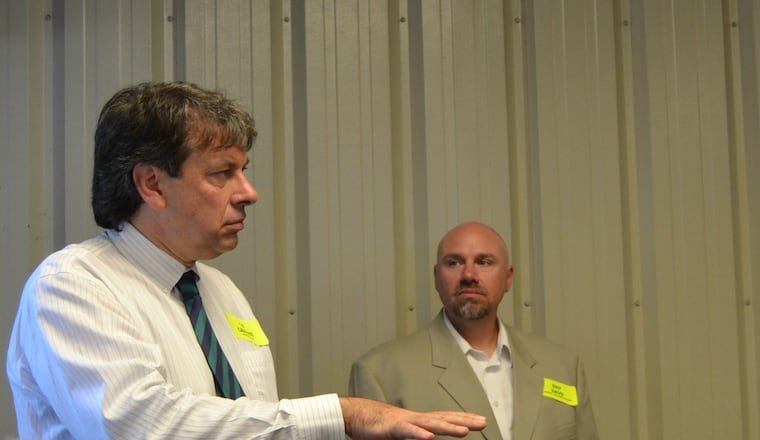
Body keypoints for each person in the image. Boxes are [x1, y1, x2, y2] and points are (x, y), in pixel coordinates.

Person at [5, 81, 486, 439]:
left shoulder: (220, 291)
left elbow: (253, 423)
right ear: (152, 185)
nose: (249, 192)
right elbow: (141, 426)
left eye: (244, 171)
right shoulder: (73, 285)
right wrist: (341, 414)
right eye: (223, 173)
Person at [348, 222, 599, 440]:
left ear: (508, 277)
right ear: (436, 277)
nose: (469, 274)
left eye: (484, 262)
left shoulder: (563, 367)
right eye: (454, 262)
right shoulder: (380, 374)